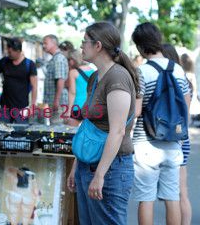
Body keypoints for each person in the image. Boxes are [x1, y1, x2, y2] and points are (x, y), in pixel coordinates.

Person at [67, 21, 138, 224]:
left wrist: (99, 175)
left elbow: (117, 132)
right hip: (88, 164)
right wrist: (76, 165)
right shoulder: (96, 77)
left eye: (84, 42)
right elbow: (89, 125)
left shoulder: (117, 78)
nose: (81, 46)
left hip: (110, 169)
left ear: (98, 46)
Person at [131, 23, 190, 225]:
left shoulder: (142, 72)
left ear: (140, 46)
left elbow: (137, 111)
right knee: (172, 197)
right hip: (173, 143)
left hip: (146, 143)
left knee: (146, 199)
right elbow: (185, 108)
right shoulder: (179, 70)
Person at [161, 44, 192, 225]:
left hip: (176, 138)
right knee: (180, 192)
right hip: (182, 137)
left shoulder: (173, 80)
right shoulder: (183, 80)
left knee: (178, 193)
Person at [42, 35, 68, 124]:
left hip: (58, 103)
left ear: (54, 43)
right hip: (55, 101)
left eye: (45, 43)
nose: (43, 45)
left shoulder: (59, 59)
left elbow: (60, 80)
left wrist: (56, 101)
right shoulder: (55, 58)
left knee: (57, 130)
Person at [65, 49, 95, 126]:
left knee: (71, 132)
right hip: (91, 107)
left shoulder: (73, 72)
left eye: (69, 59)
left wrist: (68, 111)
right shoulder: (94, 71)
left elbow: (72, 92)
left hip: (77, 107)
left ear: (74, 59)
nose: (68, 62)